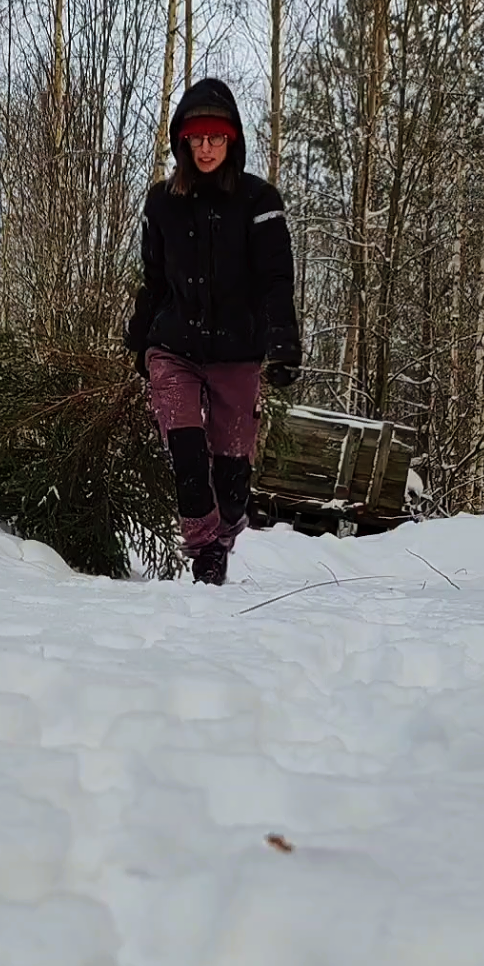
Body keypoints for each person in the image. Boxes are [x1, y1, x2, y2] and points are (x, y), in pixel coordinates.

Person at [124, 77, 302, 586]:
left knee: (231, 479)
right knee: (185, 453)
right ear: (182, 141)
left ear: (232, 140)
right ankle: (203, 549)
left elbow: (275, 279)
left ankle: (222, 535)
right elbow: (155, 280)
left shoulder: (258, 201)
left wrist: (284, 343)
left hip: (237, 350)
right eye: (197, 138)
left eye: (216, 138)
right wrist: (140, 340)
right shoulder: (162, 203)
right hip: (174, 346)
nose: (206, 148)